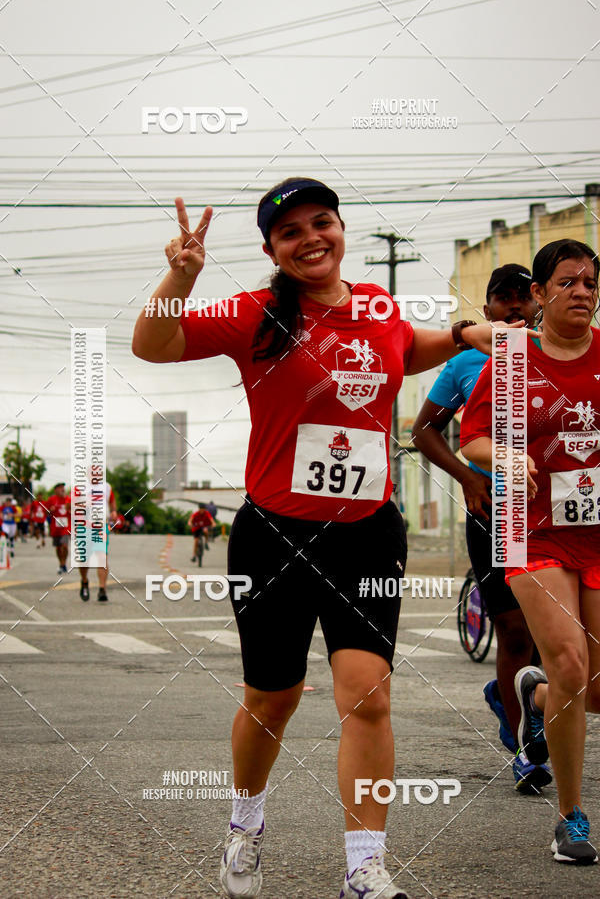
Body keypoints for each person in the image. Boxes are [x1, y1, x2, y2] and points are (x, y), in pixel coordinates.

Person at [132, 177, 533, 899]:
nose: (311, 238)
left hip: (365, 536)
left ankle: (363, 866)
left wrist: (464, 335)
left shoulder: (376, 305)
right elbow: (152, 344)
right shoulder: (257, 314)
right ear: (272, 251)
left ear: (341, 229)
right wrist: (181, 277)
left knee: (368, 697)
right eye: (291, 232)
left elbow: (405, 348)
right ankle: (245, 826)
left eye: (323, 222)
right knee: (272, 698)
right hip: (274, 537)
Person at [461, 238, 600, 864]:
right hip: (529, 530)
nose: (582, 292)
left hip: (596, 534)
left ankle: (535, 697)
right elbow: (472, 439)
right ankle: (571, 819)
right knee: (570, 662)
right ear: (540, 294)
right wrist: (506, 456)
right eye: (568, 282)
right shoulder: (514, 361)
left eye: (590, 283)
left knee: (592, 689)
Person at [412, 264, 550, 793]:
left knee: (551, 635)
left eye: (522, 297)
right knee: (515, 631)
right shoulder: (467, 361)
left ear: (537, 301)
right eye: (502, 298)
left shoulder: (560, 352)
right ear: (487, 307)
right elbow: (424, 430)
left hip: (553, 513)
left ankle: (516, 700)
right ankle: (525, 751)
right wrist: (467, 477)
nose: (514, 307)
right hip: (496, 511)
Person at [74, 480, 117, 602]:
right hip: (84, 527)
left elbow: (112, 501)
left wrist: (113, 511)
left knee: (102, 557)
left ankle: (102, 589)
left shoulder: (107, 486)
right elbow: (70, 506)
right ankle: (84, 581)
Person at [46, 483, 71, 574]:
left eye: (63, 488)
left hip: (66, 527)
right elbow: (46, 511)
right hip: (56, 527)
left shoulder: (68, 499)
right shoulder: (51, 499)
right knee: (58, 548)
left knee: (65, 546)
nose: (62, 489)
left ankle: (64, 563)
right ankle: (61, 563)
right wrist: (50, 510)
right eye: (60, 488)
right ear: (55, 490)